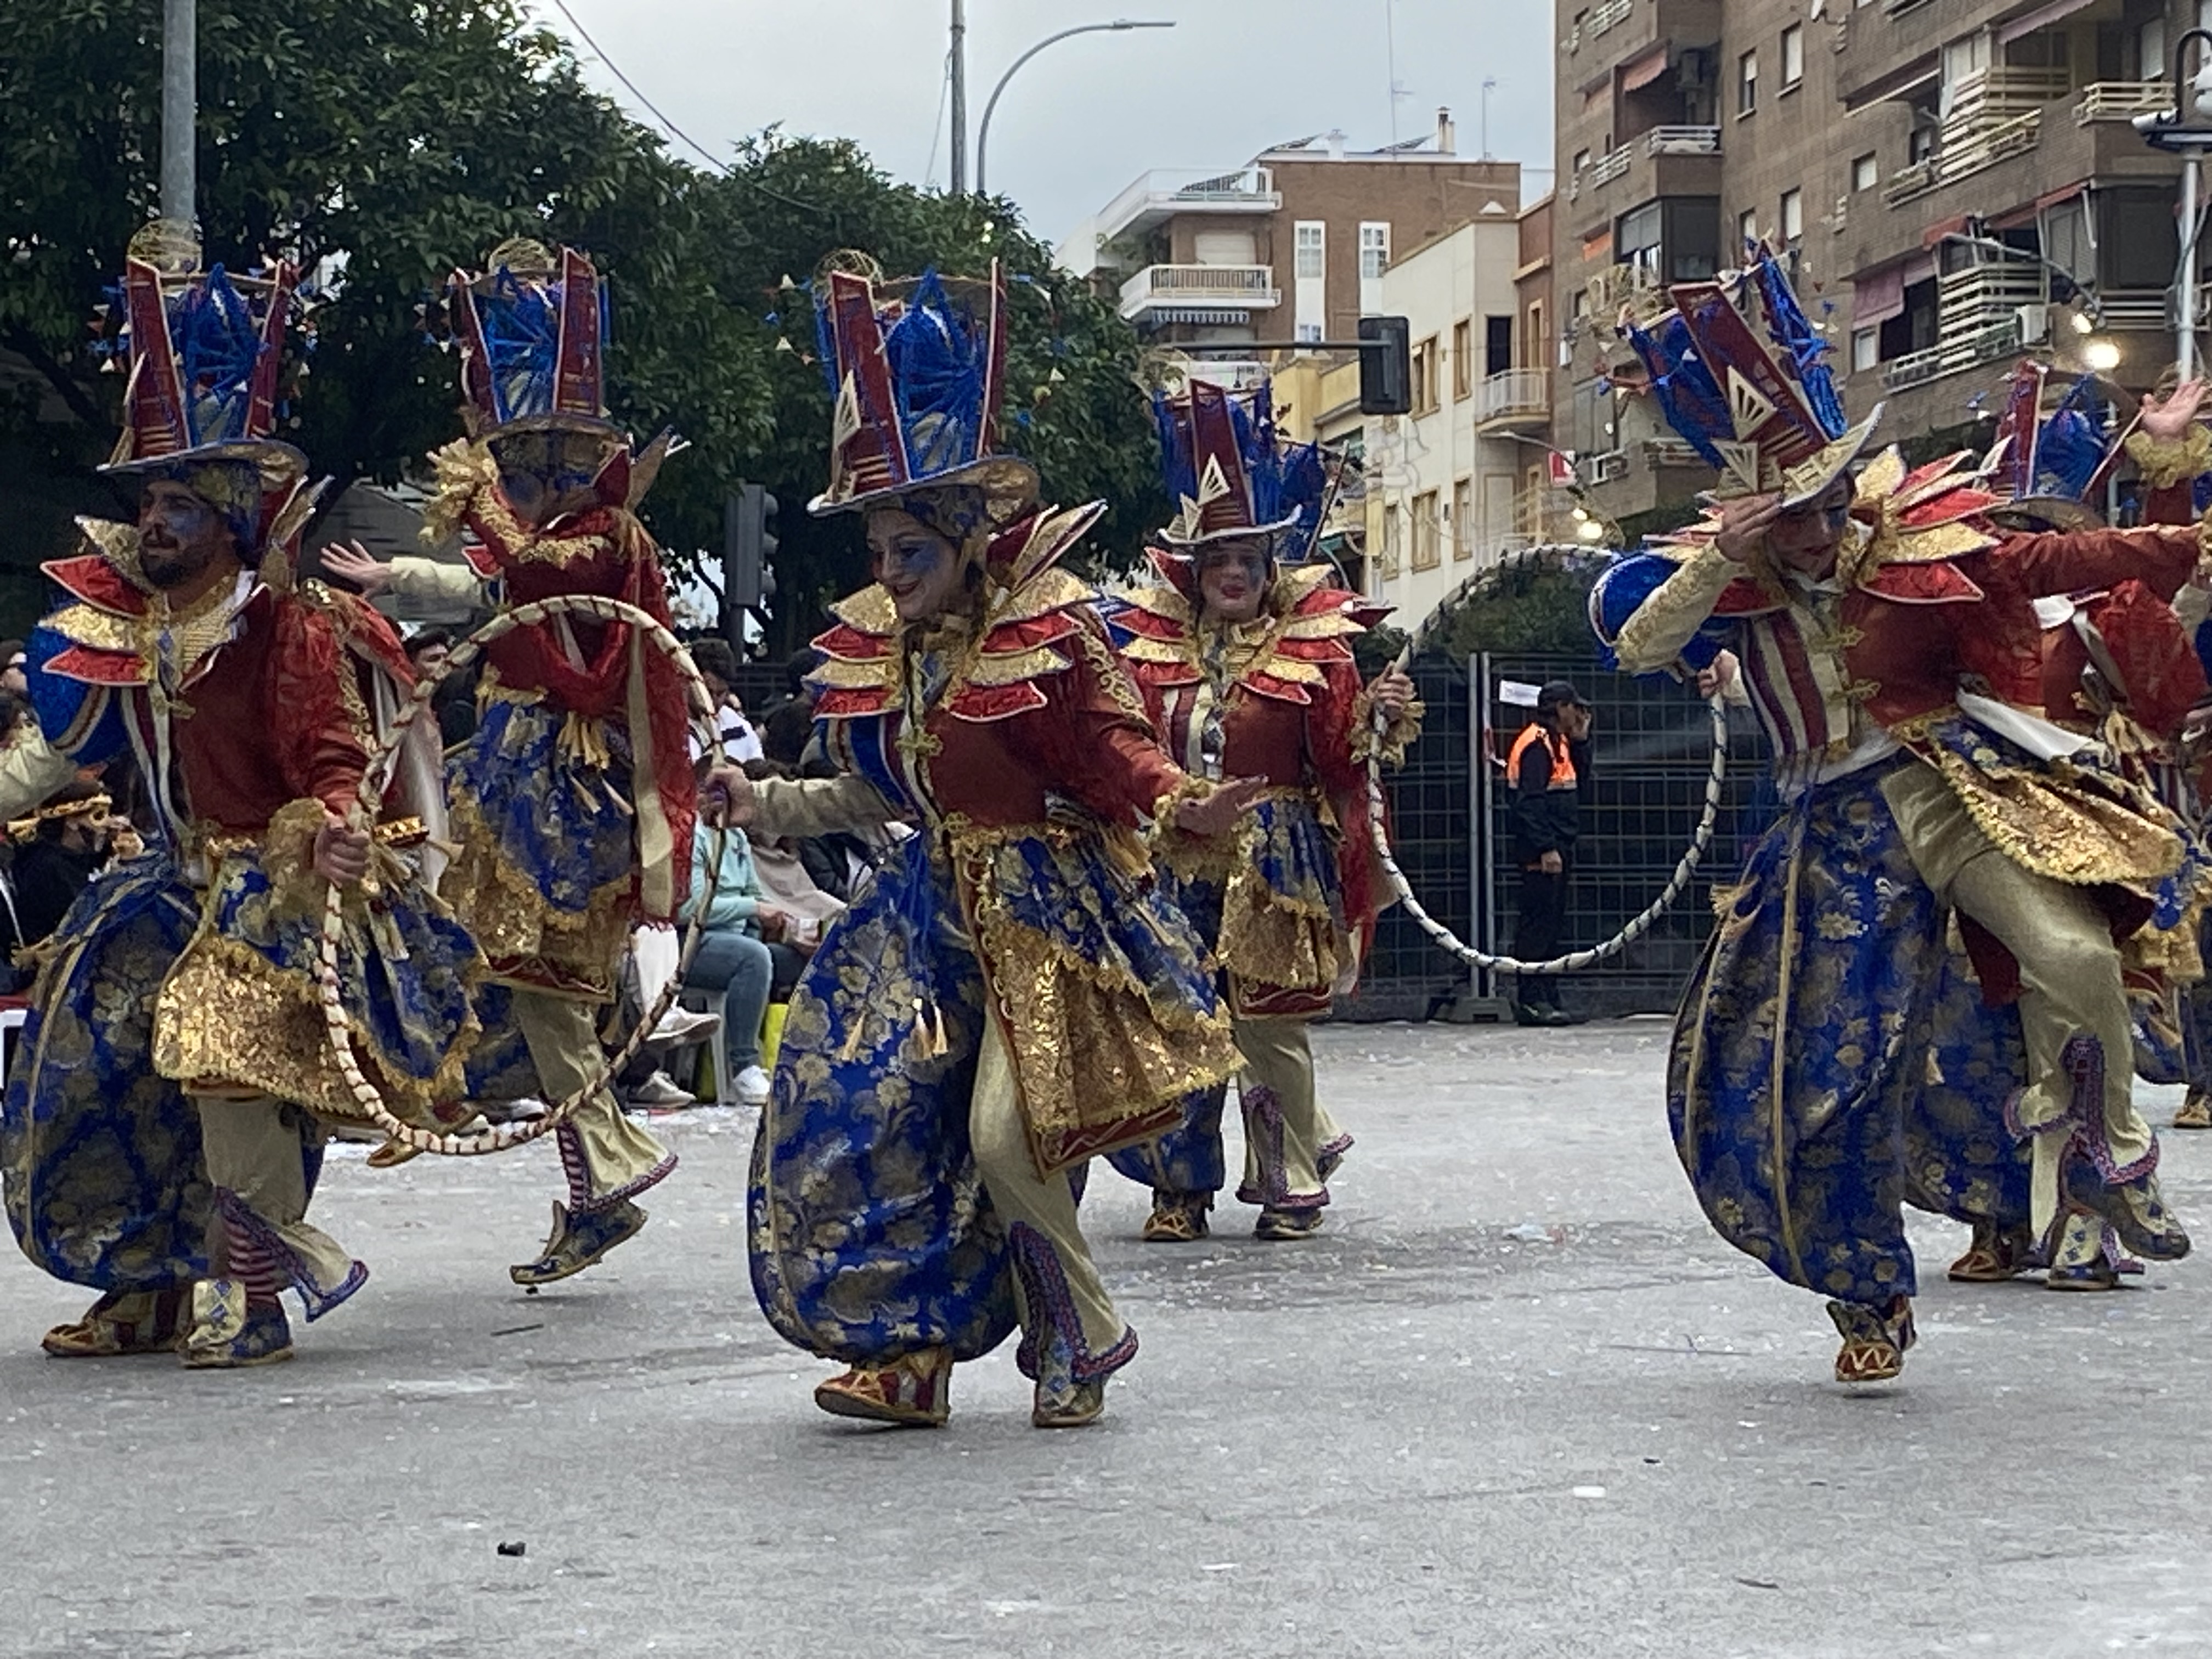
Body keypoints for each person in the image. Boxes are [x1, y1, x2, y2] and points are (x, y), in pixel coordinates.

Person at [1593, 251, 2199, 1383]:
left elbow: (2063, 554)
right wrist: (1726, 556)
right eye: (1792, 517)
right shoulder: (1726, 585)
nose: (1819, 532)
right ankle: (1868, 1292)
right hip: (1831, 840)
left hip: (1953, 794)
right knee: (1836, 1078)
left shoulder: (1922, 546)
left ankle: (2105, 1157)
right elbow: (1638, 644)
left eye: (1828, 503)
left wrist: (2184, 525)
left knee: (2075, 950)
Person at [733, 262, 1256, 1430]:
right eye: (875, 551)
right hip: (919, 929)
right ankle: (910, 1359)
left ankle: (1085, 1327)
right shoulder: (895, 652)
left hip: (1042, 925)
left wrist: (1185, 804)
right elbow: (877, 799)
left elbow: (1117, 753)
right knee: (873, 1128)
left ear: (966, 539)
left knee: (1004, 1139)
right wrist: (760, 800)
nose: (885, 573)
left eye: (904, 551)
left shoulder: (1049, 636)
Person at [3, 223, 477, 1367]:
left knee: (218, 1049)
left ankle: (249, 1283)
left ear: (231, 521)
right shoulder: (128, 630)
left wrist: (336, 833)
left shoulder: (292, 626)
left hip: (274, 880)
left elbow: (331, 760)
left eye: (180, 506)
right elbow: (58, 755)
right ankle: (146, 1275)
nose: (154, 522)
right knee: (92, 1061)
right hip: (164, 882)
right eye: (151, 501)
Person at [322, 240, 742, 1283]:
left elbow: (538, 569)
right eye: (518, 467)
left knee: (524, 965)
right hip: (505, 757)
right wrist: (396, 572)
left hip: (560, 771)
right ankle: (559, 1148)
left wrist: (484, 508)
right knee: (500, 964)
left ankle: (599, 1152)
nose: (529, 482)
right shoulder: (536, 532)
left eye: (543, 465)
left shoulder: (605, 533)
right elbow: (487, 587)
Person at [1106, 378, 1420, 1243]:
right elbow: (1126, 746)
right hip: (1171, 855)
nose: (1233, 574)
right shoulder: (1145, 649)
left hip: (1276, 861)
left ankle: (1288, 1182)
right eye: (1218, 562)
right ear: (1194, 573)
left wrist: (1375, 718)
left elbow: (1334, 759)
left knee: (1268, 1027)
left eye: (1248, 560)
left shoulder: (1315, 649)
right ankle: (1179, 1188)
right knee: (1176, 1019)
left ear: (1269, 570)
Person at [679, 810, 798, 1108]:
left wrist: (779, 922)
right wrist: (753, 909)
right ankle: (744, 1065)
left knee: (799, 961)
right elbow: (692, 908)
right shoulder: (693, 836)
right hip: (690, 942)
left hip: (737, 939)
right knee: (753, 957)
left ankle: (807, 1062)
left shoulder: (736, 836)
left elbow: (754, 894)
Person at [1508, 680, 1593, 1026]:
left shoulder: (1560, 743)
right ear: (1560, 708)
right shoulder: (1536, 745)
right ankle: (1530, 998)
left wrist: (1582, 742)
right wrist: (1546, 848)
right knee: (1537, 925)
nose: (1580, 713)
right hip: (1542, 853)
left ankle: (1548, 992)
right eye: (1575, 707)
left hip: (1559, 847)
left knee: (1553, 924)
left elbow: (1582, 783)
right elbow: (1529, 803)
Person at [687, 637, 764, 764]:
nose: (714, 701)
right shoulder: (669, 727)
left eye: (721, 693)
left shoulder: (741, 728)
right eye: (707, 692)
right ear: (687, 682)